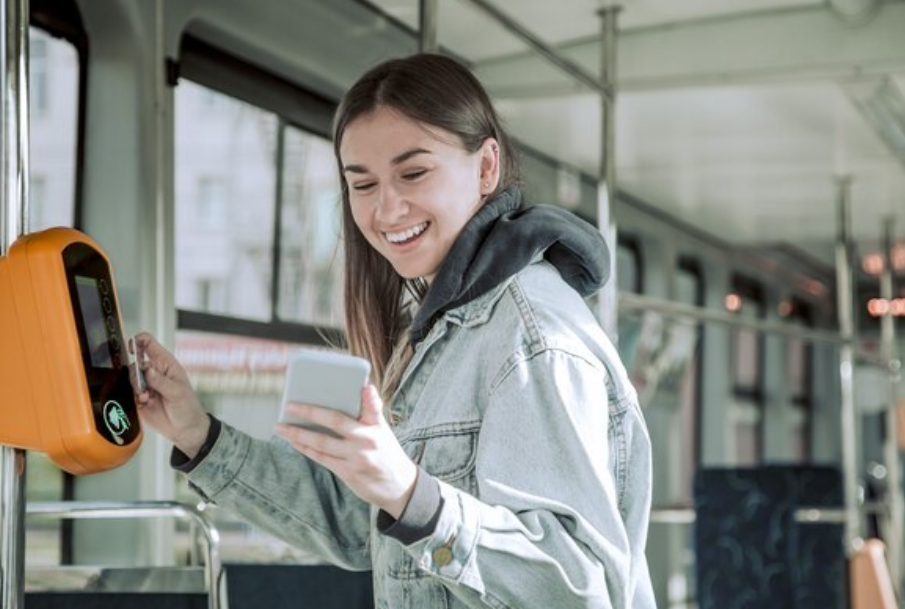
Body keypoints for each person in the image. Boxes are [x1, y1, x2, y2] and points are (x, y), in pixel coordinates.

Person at [134, 53, 656, 609]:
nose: (386, 209)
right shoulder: (440, 330)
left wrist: (412, 495)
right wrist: (196, 433)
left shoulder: (532, 337)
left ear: (486, 168)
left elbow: (578, 590)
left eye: (413, 173)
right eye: (362, 184)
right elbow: (359, 526)